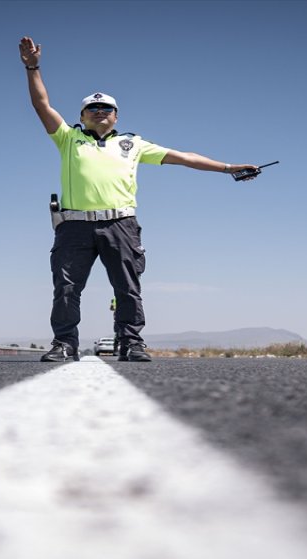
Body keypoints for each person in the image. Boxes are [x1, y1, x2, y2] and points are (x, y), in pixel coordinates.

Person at [19, 36, 259, 363]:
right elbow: (42, 105)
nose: (100, 111)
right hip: (74, 225)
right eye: (93, 108)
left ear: (116, 116)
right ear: (82, 115)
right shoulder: (68, 138)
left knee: (127, 288)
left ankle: (131, 343)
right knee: (66, 288)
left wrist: (228, 168)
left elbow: (185, 158)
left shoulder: (133, 145)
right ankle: (64, 343)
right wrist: (33, 68)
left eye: (107, 108)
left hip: (121, 224)